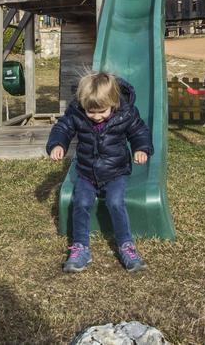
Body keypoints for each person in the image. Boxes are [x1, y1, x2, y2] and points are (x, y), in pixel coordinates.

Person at [46, 71, 154, 273]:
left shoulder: (126, 113)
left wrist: (141, 148)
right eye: (91, 112)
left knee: (115, 202)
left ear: (113, 103)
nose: (96, 117)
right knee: (82, 202)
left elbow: (139, 131)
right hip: (87, 172)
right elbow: (63, 128)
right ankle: (80, 247)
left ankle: (126, 245)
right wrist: (57, 144)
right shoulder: (77, 112)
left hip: (116, 172)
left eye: (101, 111)